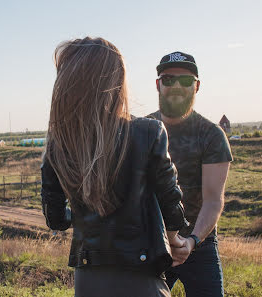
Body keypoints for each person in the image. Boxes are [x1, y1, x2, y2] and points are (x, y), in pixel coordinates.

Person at [41, 37, 188, 297]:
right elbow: (171, 203)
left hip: (88, 278)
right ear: (116, 81)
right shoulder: (148, 132)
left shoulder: (58, 142)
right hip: (142, 277)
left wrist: (82, 213)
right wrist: (176, 240)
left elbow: (55, 219)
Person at [148, 51, 233, 297]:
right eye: (168, 79)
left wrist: (191, 241)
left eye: (185, 81)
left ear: (197, 86)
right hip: (151, 243)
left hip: (199, 244)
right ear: (158, 84)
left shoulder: (211, 135)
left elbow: (213, 200)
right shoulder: (141, 131)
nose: (176, 86)